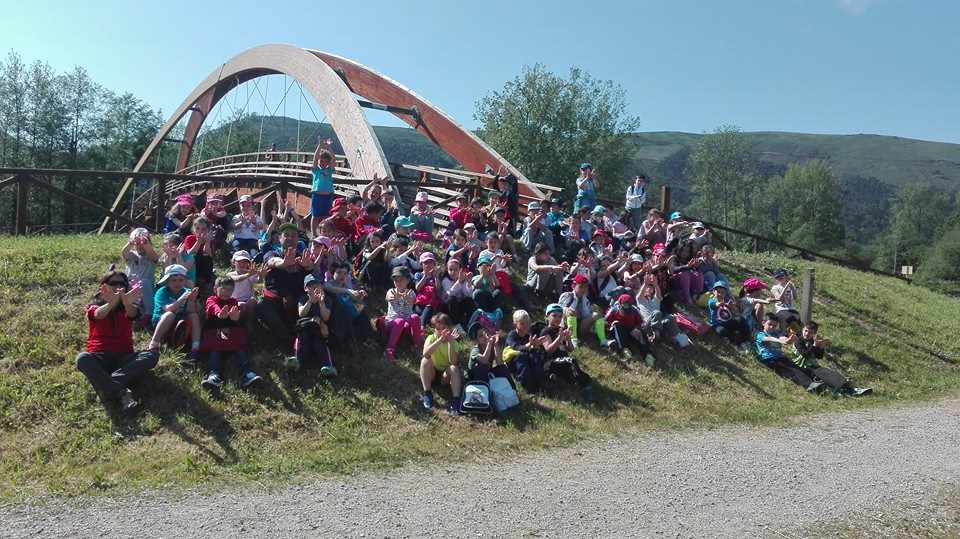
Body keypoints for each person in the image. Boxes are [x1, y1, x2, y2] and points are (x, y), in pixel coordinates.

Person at [76, 270, 159, 412]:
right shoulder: (94, 306)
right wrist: (110, 304)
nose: (118, 287)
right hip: (99, 357)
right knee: (82, 358)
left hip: (124, 357)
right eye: (113, 283)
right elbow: (98, 314)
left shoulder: (128, 307)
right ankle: (121, 392)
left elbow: (133, 314)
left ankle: (107, 383)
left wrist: (127, 303)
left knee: (152, 355)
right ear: (104, 287)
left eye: (122, 284)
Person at [257, 223, 315, 352]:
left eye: (293, 235)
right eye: (286, 235)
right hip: (276, 303)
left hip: (299, 303)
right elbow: (272, 262)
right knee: (261, 304)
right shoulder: (272, 252)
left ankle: (307, 337)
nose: (290, 238)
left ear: (297, 239)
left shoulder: (302, 255)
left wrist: (309, 266)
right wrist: (284, 262)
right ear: (279, 238)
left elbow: (313, 269)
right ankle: (291, 341)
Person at [201, 276, 262, 389]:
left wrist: (235, 317)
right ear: (215, 289)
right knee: (214, 353)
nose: (226, 292)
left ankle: (247, 373)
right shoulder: (211, 299)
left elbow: (235, 313)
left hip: (230, 334)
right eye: (223, 289)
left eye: (229, 290)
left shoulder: (233, 301)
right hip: (214, 333)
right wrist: (220, 314)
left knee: (239, 351)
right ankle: (213, 375)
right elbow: (212, 307)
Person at [793, 321, 873, 397]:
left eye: (810, 332)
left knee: (832, 373)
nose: (807, 334)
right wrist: (814, 346)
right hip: (802, 367)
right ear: (802, 329)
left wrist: (821, 347)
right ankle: (849, 390)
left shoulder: (813, 341)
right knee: (827, 376)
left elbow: (819, 356)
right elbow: (805, 355)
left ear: (814, 334)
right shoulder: (798, 341)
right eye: (806, 331)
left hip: (813, 367)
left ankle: (851, 389)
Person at [540, 304, 596, 402]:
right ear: (546, 317)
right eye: (554, 316)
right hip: (551, 363)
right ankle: (583, 388)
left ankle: (562, 379)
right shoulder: (546, 331)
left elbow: (570, 349)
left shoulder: (560, 329)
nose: (557, 318)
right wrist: (560, 338)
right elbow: (548, 350)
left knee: (587, 378)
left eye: (560, 316)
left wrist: (568, 338)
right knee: (571, 361)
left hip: (563, 361)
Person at [755, 313, 823, 393]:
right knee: (790, 372)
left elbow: (782, 337)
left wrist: (786, 340)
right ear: (763, 323)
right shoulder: (760, 334)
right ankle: (810, 385)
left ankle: (817, 381)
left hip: (781, 358)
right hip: (769, 360)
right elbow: (769, 338)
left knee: (798, 368)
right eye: (769, 324)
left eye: (774, 325)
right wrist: (780, 340)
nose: (771, 327)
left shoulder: (777, 334)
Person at [149, 264, 201, 363]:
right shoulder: (162, 292)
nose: (178, 283)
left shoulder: (187, 291)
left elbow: (190, 312)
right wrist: (182, 298)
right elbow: (169, 309)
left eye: (181, 280)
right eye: (174, 280)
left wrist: (191, 300)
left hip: (180, 324)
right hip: (162, 324)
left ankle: (195, 348)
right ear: (167, 281)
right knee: (170, 314)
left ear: (185, 281)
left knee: (194, 316)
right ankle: (153, 345)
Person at [292, 274, 337, 376]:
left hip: (319, 328)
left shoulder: (327, 300)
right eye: (311, 284)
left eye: (317, 284)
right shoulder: (303, 298)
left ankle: (327, 366)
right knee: (301, 339)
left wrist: (321, 303)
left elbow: (326, 317)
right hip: (305, 326)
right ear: (305, 288)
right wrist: (310, 301)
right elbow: (301, 314)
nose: (315, 286)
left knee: (320, 342)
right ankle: (297, 361)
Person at [419, 313, 462, 415]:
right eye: (438, 328)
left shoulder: (454, 342)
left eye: (444, 328)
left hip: (444, 376)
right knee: (425, 360)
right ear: (433, 329)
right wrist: (440, 340)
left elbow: (454, 362)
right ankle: (427, 393)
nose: (441, 331)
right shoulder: (431, 338)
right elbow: (426, 353)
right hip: (432, 373)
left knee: (454, 368)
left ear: (450, 328)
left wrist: (450, 343)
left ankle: (456, 400)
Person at [558, 274, 612, 349]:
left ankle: (603, 340)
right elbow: (559, 308)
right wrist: (566, 310)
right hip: (566, 325)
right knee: (572, 311)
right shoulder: (567, 295)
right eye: (580, 286)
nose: (583, 289)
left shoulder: (586, 300)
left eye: (585, 287)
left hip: (580, 325)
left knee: (597, 314)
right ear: (573, 286)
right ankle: (573, 339)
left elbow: (588, 314)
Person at [383, 266, 424, 363]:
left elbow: (413, 300)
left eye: (401, 279)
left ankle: (416, 344)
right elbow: (388, 298)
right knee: (400, 321)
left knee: (415, 317)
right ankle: (389, 350)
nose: (398, 282)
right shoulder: (391, 291)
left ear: (408, 280)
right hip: (392, 324)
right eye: (395, 280)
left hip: (406, 325)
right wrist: (393, 297)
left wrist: (408, 298)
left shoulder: (411, 293)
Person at [605, 294, 655, 366]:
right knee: (617, 325)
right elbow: (605, 321)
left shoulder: (634, 309)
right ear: (619, 305)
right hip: (620, 330)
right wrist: (611, 324)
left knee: (640, 332)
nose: (625, 313)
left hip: (632, 329)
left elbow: (642, 321)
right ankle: (625, 349)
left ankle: (648, 355)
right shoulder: (614, 309)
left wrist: (639, 327)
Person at [122, 227, 159, 321]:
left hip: (146, 292)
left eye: (143, 243)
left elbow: (154, 256)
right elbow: (124, 253)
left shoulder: (151, 256)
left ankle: (149, 313)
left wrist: (146, 243)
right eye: (137, 243)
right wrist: (131, 242)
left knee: (144, 282)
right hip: (131, 290)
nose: (140, 245)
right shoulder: (131, 255)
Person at [636, 275, 682, 346]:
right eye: (647, 287)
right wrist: (645, 284)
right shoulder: (641, 300)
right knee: (656, 312)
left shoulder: (656, 300)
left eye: (651, 288)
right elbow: (640, 294)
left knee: (671, 317)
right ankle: (655, 335)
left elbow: (659, 294)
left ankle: (673, 337)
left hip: (659, 325)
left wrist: (655, 284)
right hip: (647, 326)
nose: (648, 289)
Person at [707, 281, 752, 350]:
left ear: (725, 293)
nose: (720, 294)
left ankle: (747, 339)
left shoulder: (726, 300)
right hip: (717, 324)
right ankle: (740, 343)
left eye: (723, 292)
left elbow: (730, 311)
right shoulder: (711, 300)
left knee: (741, 319)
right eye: (718, 292)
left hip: (728, 322)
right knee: (722, 331)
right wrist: (719, 304)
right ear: (713, 291)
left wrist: (730, 307)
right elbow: (714, 305)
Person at [226, 250, 261, 332]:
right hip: (234, 301)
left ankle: (248, 321)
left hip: (247, 299)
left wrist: (261, 276)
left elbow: (258, 281)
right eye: (239, 261)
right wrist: (249, 274)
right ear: (234, 262)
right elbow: (237, 279)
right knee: (241, 305)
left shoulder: (250, 274)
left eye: (245, 261)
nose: (242, 263)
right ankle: (237, 322)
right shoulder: (230, 275)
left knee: (252, 302)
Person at [438, 258, 475, 332]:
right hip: (446, 308)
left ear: (460, 270)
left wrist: (468, 282)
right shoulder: (446, 280)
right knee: (452, 298)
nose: (453, 272)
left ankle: (469, 323)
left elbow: (469, 295)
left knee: (469, 300)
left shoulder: (462, 280)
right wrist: (459, 281)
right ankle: (456, 325)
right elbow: (450, 293)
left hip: (457, 308)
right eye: (450, 269)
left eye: (455, 269)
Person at [310, 137, 337, 234]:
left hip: (327, 195)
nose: (323, 163)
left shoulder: (329, 170)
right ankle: (314, 233)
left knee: (326, 216)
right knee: (315, 216)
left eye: (326, 161)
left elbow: (333, 159)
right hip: (317, 195)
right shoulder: (316, 169)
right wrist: (320, 146)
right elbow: (315, 157)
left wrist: (329, 148)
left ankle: (324, 232)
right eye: (322, 161)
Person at [770, 268, 802, 333]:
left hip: (791, 309)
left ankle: (800, 337)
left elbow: (795, 298)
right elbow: (779, 298)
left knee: (799, 322)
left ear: (786, 276)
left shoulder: (791, 286)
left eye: (781, 275)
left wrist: (793, 289)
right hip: (781, 309)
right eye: (777, 277)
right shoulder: (775, 287)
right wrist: (786, 287)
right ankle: (783, 334)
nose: (779, 278)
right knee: (784, 317)